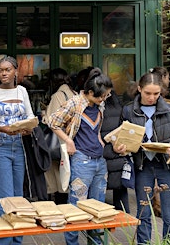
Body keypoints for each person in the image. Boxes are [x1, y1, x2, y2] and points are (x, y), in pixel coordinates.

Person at [118, 72, 170, 244]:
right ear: (139, 89)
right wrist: (120, 148)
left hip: (167, 166)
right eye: (147, 93)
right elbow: (120, 138)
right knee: (143, 212)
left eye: (156, 94)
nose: (152, 97)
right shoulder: (129, 110)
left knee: (169, 214)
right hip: (142, 165)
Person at [48, 68, 113, 245]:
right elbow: (53, 121)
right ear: (90, 92)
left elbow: (95, 128)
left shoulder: (99, 104)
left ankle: (96, 243)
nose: (104, 99)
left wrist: (100, 139)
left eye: (106, 95)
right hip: (81, 160)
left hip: (100, 161)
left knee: (98, 208)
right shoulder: (75, 103)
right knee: (76, 207)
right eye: (101, 96)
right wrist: (68, 141)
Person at [0, 56, 35, 245]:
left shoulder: (22, 91)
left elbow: (30, 115)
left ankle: (17, 239)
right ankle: (3, 241)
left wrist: (29, 126)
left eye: (7, 69)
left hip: (19, 145)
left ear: (15, 72)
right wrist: (0, 128)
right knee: (3, 195)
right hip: (0, 146)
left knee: (17, 195)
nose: (4, 73)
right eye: (1, 70)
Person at [42, 67, 76, 204]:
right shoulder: (73, 93)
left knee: (55, 175)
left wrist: (44, 114)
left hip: (58, 141)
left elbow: (52, 120)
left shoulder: (58, 95)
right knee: (65, 173)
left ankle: (57, 205)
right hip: (70, 139)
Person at [100, 90, 130, 213]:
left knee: (99, 189)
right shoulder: (120, 108)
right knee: (120, 188)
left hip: (102, 152)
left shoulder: (96, 109)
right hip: (118, 151)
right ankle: (125, 217)